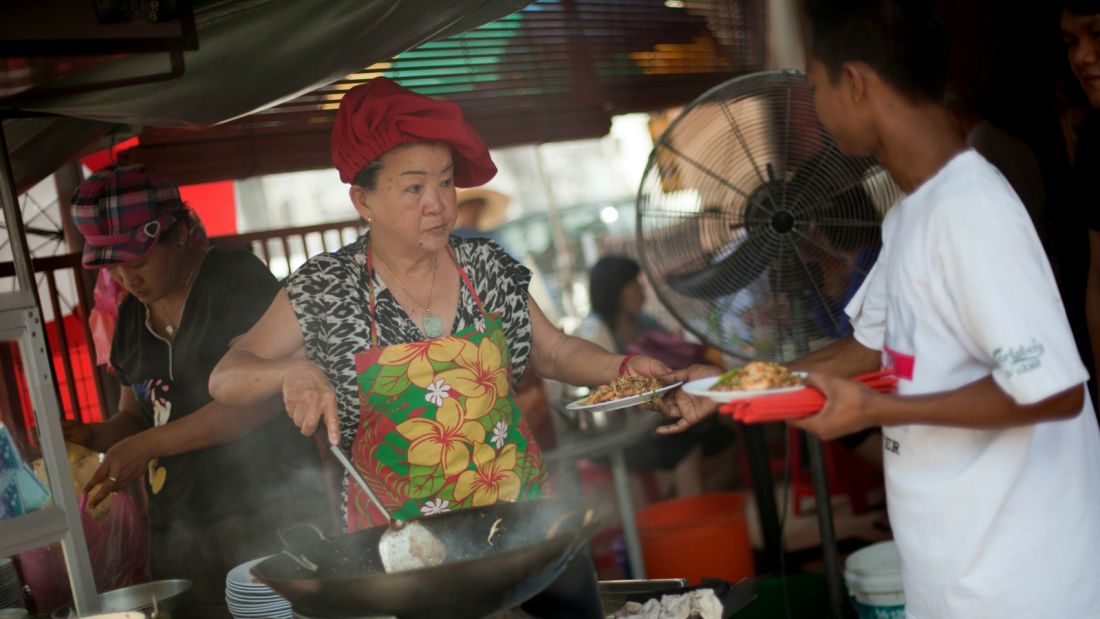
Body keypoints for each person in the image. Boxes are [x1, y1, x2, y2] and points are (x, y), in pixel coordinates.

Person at [207, 77, 705, 616]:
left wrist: (635, 372)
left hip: (526, 533)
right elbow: (228, 374)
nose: (439, 205)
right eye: (414, 188)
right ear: (363, 199)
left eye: (446, 183)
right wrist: (289, 373)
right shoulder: (327, 288)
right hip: (404, 562)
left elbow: (556, 352)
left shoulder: (484, 265)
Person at [666, 1, 1100, 616]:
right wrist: (715, 387)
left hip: (1020, 585)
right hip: (959, 576)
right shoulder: (910, 214)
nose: (813, 105)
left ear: (858, 84)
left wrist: (877, 406)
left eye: (816, 87)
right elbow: (861, 350)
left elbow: (1055, 393)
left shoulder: (970, 210)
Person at [63, 164, 329, 616]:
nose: (128, 279)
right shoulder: (130, 319)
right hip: (180, 530)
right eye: (116, 266)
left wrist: (145, 445)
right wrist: (90, 437)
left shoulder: (234, 279)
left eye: (139, 260)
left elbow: (259, 404)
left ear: (182, 231)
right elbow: (137, 414)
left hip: (268, 512)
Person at [575, 256, 737, 496]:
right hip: (619, 435)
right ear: (615, 290)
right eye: (634, 283)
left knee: (725, 433)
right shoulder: (594, 331)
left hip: (651, 421)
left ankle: (690, 504)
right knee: (685, 448)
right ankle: (689, 511)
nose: (642, 290)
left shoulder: (642, 321)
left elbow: (668, 359)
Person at [1064, 1, 1100, 392]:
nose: (1082, 56)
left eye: (1097, 33)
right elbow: (1098, 279)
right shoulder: (1093, 139)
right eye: (1071, 41)